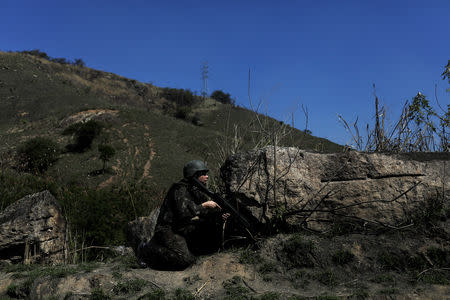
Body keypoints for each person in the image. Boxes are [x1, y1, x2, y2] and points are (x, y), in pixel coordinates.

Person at [136, 160, 229, 270]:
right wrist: (205, 205)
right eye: (203, 174)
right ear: (194, 175)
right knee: (184, 260)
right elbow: (184, 213)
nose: (207, 177)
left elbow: (203, 213)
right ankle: (147, 249)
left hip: (183, 226)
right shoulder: (179, 189)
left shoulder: (196, 190)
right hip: (168, 229)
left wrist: (218, 215)